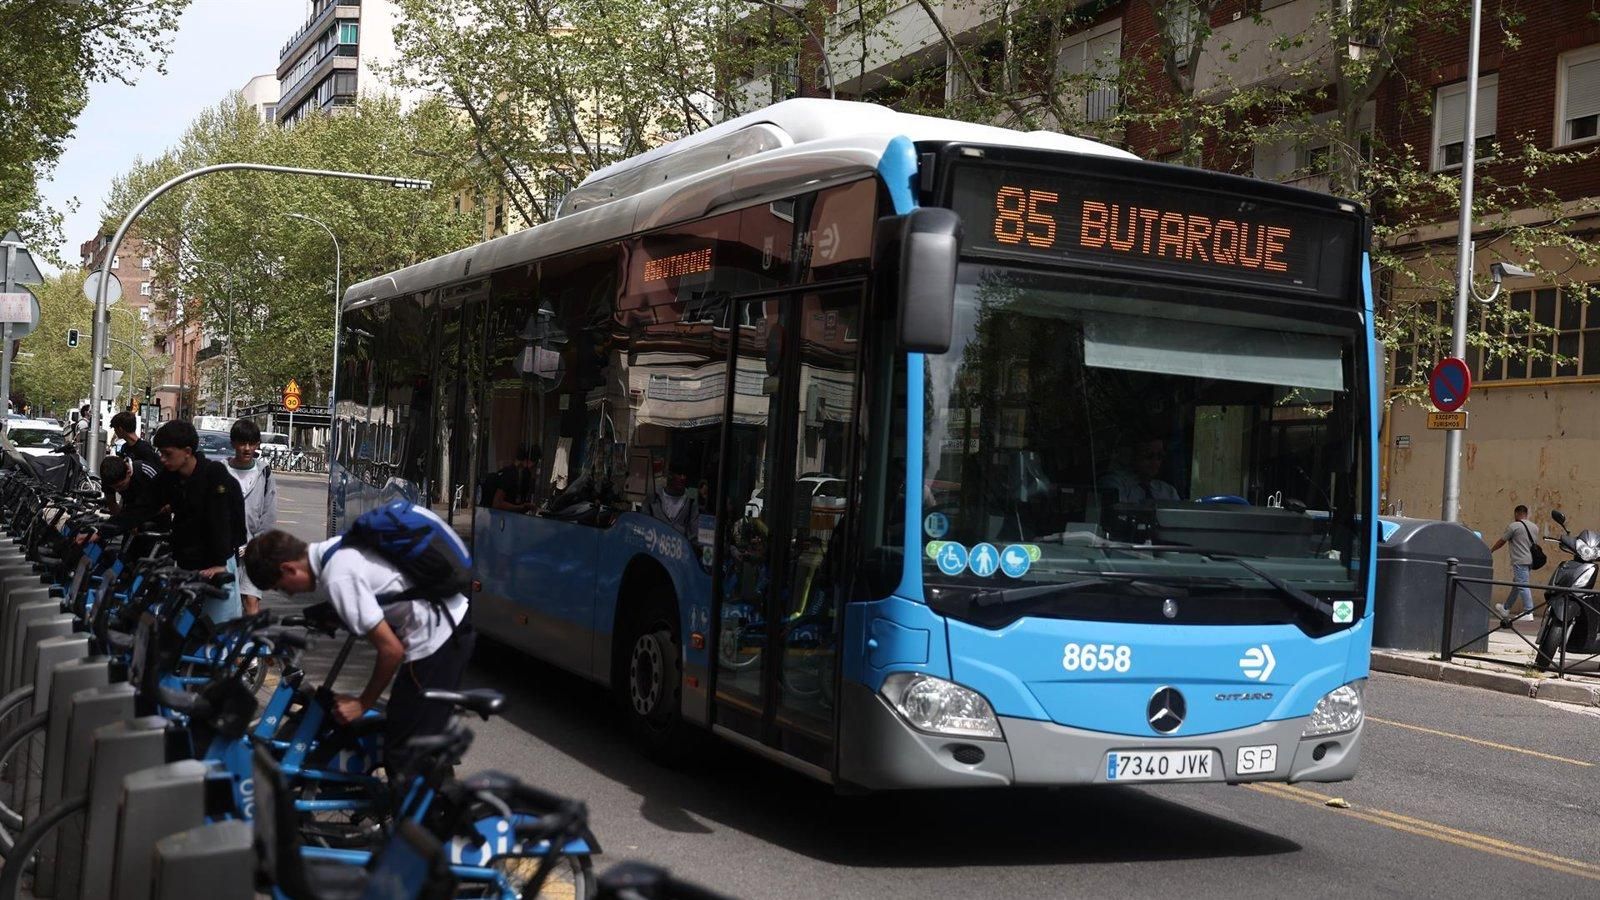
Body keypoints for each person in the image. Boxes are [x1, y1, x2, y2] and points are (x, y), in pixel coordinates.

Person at [243, 510, 473, 778]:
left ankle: (431, 803)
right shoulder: (333, 550)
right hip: (447, 624)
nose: (289, 594)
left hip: (439, 638)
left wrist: (362, 703)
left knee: (406, 751)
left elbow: (391, 650)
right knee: (410, 732)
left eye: (282, 587)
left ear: (289, 568)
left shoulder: (337, 577)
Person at [104, 420, 247, 622]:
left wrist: (220, 563)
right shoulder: (170, 477)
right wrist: (102, 531)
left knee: (217, 628)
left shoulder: (214, 474)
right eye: (160, 453)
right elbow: (142, 507)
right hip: (187, 563)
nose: (162, 459)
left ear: (187, 452)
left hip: (217, 564)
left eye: (167, 454)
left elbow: (221, 520)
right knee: (178, 626)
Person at [224, 419, 278, 617]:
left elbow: (269, 515)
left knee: (251, 600)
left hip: (252, 550)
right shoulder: (221, 471)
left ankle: (249, 636)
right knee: (225, 603)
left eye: (251, 443)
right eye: (242, 443)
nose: (247, 448)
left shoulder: (264, 473)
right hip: (224, 551)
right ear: (233, 443)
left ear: (257, 445)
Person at [1490, 504, 1540, 619]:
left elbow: (1502, 541)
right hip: (1530, 560)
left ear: (1516, 513)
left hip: (1519, 560)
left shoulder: (1514, 526)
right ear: (1526, 514)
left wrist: (1491, 550)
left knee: (1522, 585)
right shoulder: (1534, 527)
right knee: (1517, 585)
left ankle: (1528, 612)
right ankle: (1506, 608)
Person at [1099, 435, 1181, 503]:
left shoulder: (1168, 491)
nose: (1155, 462)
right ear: (1133, 456)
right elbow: (1118, 515)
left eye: (1160, 456)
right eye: (1148, 456)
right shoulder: (1115, 484)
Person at [96, 455, 165, 525]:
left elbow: (166, 499)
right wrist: (125, 522)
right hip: (132, 511)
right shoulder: (108, 480)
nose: (118, 490)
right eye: (114, 488)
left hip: (158, 513)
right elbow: (111, 503)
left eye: (120, 486)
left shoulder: (145, 471)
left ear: (128, 472)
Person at [648, 464, 699, 538]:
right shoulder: (654, 497)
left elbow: (694, 534)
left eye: (684, 475)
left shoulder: (691, 501)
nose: (682, 478)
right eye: (679, 474)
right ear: (670, 475)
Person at [489, 445, 538, 512]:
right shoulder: (509, 474)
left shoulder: (521, 474)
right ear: (528, 461)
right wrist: (520, 507)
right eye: (534, 466)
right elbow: (497, 503)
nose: (532, 470)